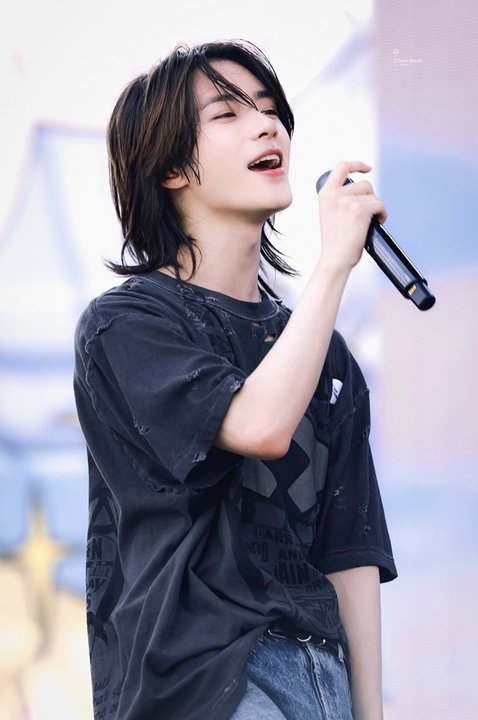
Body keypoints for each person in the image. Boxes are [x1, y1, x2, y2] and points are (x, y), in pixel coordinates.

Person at [73, 39, 397, 720]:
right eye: (228, 114)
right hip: (201, 680)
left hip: (321, 681)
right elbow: (259, 425)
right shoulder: (128, 324)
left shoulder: (326, 356)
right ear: (169, 168)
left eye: (271, 109)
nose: (266, 125)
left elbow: (350, 550)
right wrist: (334, 264)